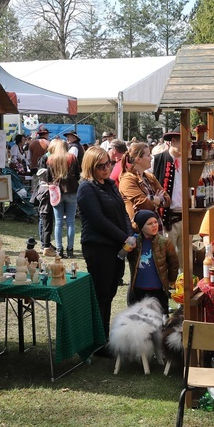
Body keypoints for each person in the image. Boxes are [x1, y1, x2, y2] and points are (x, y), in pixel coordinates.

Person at [77, 147, 134, 344]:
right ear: (91, 167)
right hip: (98, 247)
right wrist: (124, 237)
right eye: (101, 166)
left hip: (116, 247)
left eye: (108, 163)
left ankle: (103, 337)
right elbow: (98, 220)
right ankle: (99, 341)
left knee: (109, 293)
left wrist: (129, 234)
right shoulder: (87, 188)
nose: (106, 168)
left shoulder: (110, 184)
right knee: (101, 294)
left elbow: (123, 212)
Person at [126, 209, 179, 313]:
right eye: (149, 224)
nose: (154, 225)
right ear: (141, 227)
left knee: (159, 318)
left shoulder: (165, 242)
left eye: (155, 222)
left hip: (158, 288)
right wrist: (128, 246)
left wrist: (172, 280)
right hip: (139, 288)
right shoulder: (134, 242)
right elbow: (124, 256)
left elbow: (173, 263)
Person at [150, 127, 184, 254]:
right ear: (174, 141)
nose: (189, 145)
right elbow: (143, 181)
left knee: (185, 260)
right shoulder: (157, 160)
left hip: (185, 216)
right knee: (167, 257)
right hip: (167, 218)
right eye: (186, 141)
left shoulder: (189, 161)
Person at [118, 142, 169, 225]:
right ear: (138, 159)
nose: (151, 158)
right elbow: (144, 204)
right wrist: (157, 200)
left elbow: (167, 199)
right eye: (148, 155)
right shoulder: (127, 180)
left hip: (155, 226)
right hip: (139, 230)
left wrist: (150, 198)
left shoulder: (150, 177)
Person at [46, 139, 79, 258]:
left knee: (58, 223)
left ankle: (59, 250)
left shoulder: (50, 159)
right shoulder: (72, 158)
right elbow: (78, 174)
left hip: (56, 192)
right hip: (71, 191)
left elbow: (48, 177)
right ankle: (70, 250)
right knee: (71, 222)